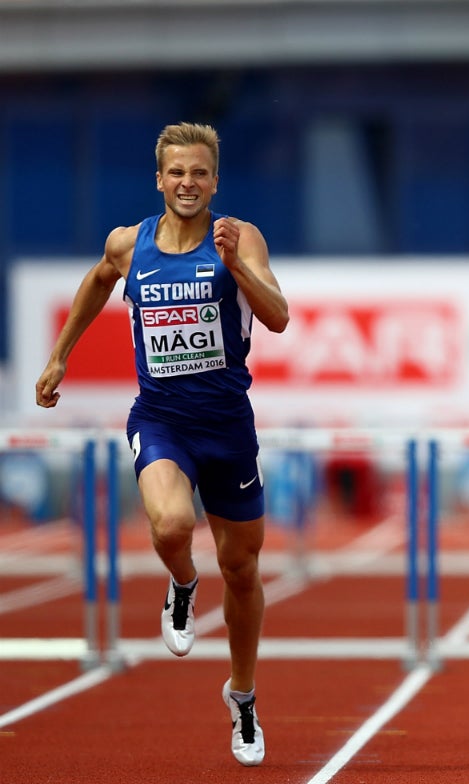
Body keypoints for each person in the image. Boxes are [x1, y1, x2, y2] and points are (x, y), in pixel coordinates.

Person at [35, 122, 288, 765]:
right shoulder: (129, 244)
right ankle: (180, 583)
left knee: (243, 570)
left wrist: (235, 267)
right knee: (172, 525)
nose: (188, 183)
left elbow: (279, 316)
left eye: (199, 172)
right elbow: (96, 282)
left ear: (214, 180)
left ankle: (244, 695)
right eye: (177, 172)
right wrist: (60, 356)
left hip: (228, 424)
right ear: (159, 179)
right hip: (161, 419)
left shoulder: (240, 237)